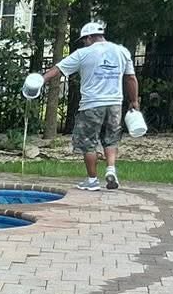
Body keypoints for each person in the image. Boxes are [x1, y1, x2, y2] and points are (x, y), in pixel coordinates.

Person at [40, 19, 139, 190]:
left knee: (88, 142)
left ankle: (92, 180)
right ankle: (111, 169)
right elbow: (130, 78)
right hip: (115, 103)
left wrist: (40, 80)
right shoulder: (122, 51)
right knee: (111, 139)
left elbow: (58, 69)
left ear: (89, 37)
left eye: (84, 40)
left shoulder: (83, 54)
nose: (84, 43)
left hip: (91, 104)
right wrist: (134, 101)